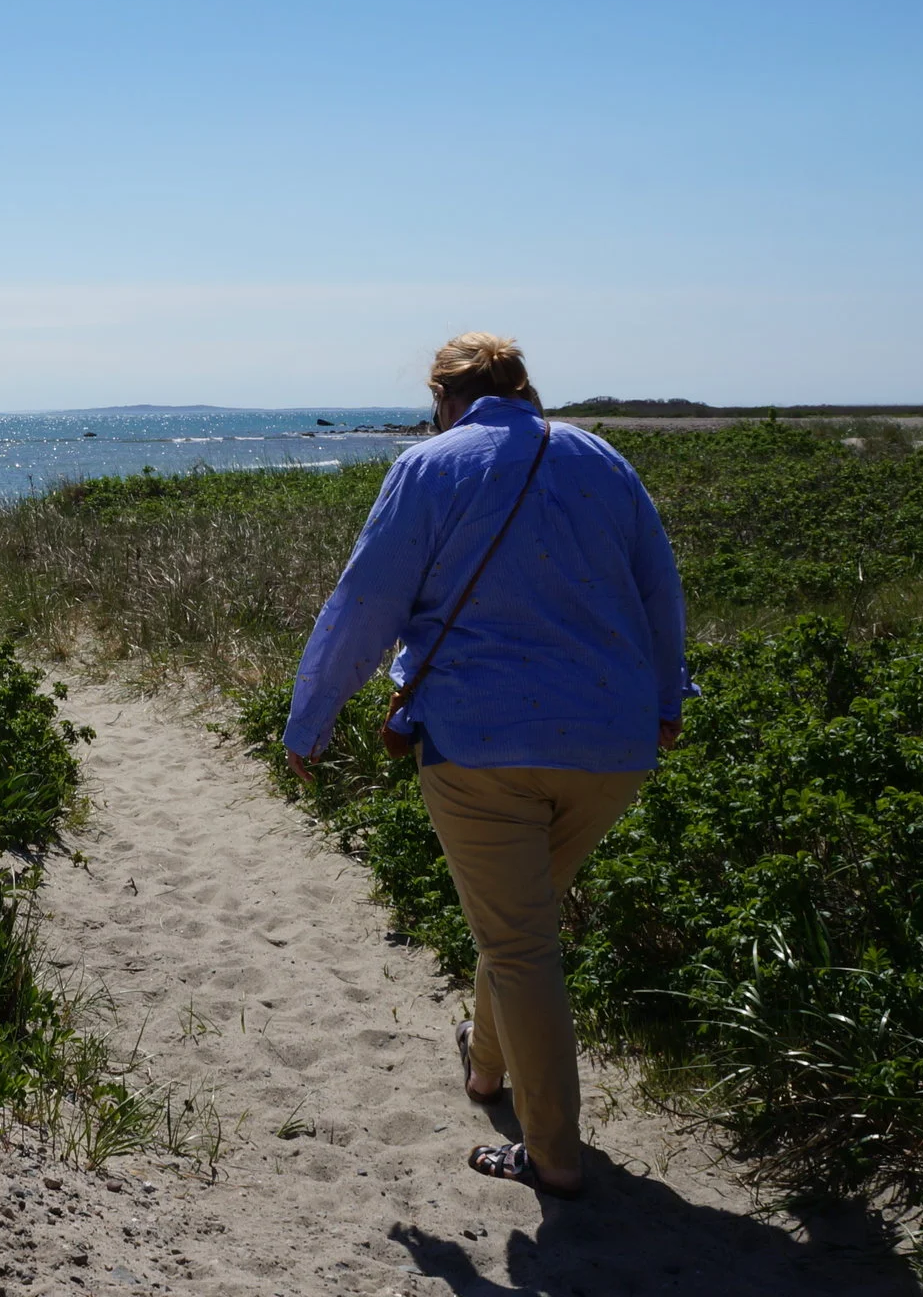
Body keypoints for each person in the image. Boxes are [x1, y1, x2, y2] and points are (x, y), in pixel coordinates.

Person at [280, 332, 694, 1200]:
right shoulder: (601, 457)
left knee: (519, 941)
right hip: (612, 744)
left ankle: (552, 1156)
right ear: (525, 388)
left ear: (443, 397)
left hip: (480, 745)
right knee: (517, 922)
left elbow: (367, 602)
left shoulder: (431, 466)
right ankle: (483, 1072)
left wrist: (310, 721)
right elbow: (660, 588)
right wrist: (666, 705)